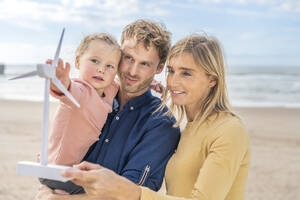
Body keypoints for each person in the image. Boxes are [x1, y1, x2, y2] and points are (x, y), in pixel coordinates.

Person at [58, 35, 251, 200]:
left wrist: (131, 191)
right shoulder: (190, 129)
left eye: (186, 73)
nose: (174, 81)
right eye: (172, 71)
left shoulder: (229, 129)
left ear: (212, 80)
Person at [36, 19, 181, 198]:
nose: (133, 71)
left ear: (159, 68)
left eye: (145, 64)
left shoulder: (162, 125)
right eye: (129, 58)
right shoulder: (96, 93)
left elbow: (131, 193)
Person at [39, 33, 121, 194]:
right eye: (95, 61)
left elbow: (120, 83)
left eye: (110, 66)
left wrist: (151, 83)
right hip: (56, 171)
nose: (101, 69)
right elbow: (69, 91)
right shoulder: (81, 91)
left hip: (74, 169)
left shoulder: (110, 89)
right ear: (78, 61)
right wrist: (61, 83)